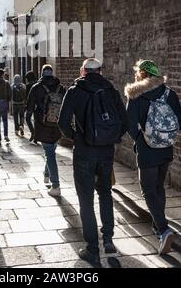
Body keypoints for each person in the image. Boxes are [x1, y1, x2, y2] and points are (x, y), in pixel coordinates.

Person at [58, 58, 128, 267]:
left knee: (86, 200)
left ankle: (92, 249)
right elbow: (125, 122)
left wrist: (77, 138)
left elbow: (62, 122)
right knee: (105, 193)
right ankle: (108, 240)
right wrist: (110, 138)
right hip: (106, 152)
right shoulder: (110, 90)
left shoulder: (74, 90)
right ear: (99, 71)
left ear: (83, 71)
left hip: (84, 152)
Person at [125, 59, 181, 255]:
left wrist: (142, 140)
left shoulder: (135, 94)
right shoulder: (170, 94)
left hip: (147, 151)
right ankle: (157, 224)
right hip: (166, 149)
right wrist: (165, 136)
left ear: (141, 75)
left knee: (148, 190)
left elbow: (130, 125)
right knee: (158, 187)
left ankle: (163, 229)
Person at [26, 64, 65, 196]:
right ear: (52, 73)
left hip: (43, 126)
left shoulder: (36, 88)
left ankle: (56, 186)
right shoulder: (61, 88)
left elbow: (29, 108)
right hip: (58, 126)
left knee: (50, 154)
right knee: (51, 151)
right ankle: (47, 175)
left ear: (42, 73)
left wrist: (30, 128)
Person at [25, 71, 37, 144]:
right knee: (36, 120)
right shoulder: (38, 84)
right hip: (38, 105)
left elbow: (27, 96)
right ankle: (36, 136)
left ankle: (33, 132)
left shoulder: (28, 85)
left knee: (28, 119)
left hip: (30, 105)